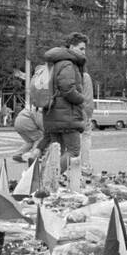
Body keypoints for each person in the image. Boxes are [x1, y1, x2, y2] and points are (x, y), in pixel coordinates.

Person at [37, 32, 89, 173]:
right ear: (71, 46)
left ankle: (44, 181)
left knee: (56, 152)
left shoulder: (54, 63)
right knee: (73, 152)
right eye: (81, 48)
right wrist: (81, 99)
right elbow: (67, 89)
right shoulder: (67, 64)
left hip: (53, 114)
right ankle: (47, 178)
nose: (84, 52)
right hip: (67, 116)